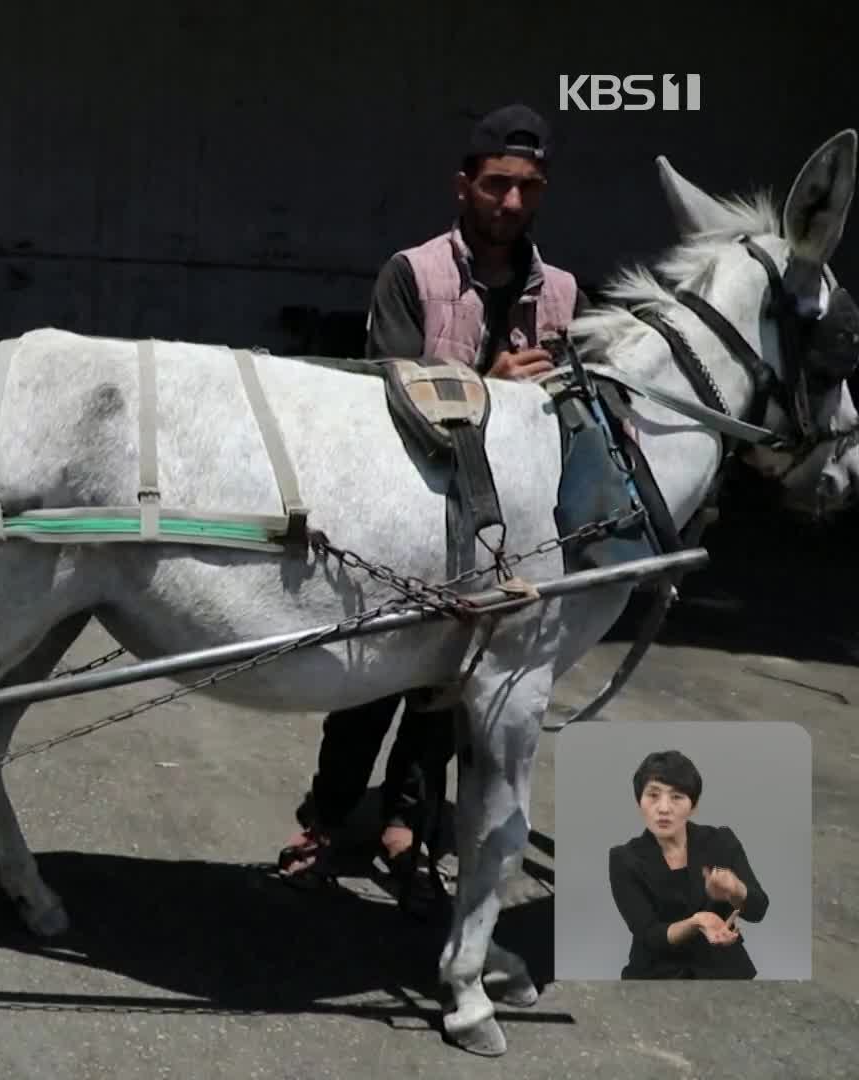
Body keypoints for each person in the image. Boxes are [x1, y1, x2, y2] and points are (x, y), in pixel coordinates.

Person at [276, 104, 592, 905]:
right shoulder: (411, 274)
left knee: (447, 694)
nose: (510, 204)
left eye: (528, 188)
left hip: (502, 527)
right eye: (495, 186)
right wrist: (494, 386)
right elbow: (388, 393)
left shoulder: (560, 292)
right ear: (464, 186)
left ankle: (408, 828)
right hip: (407, 508)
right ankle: (328, 815)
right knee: (368, 682)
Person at [607, 750, 768, 979]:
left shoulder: (719, 842)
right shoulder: (624, 858)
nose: (663, 808)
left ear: (693, 805)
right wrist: (697, 922)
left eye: (676, 797)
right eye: (653, 795)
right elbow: (649, 935)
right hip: (656, 977)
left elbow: (758, 909)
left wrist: (736, 890)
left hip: (725, 973)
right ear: (639, 802)